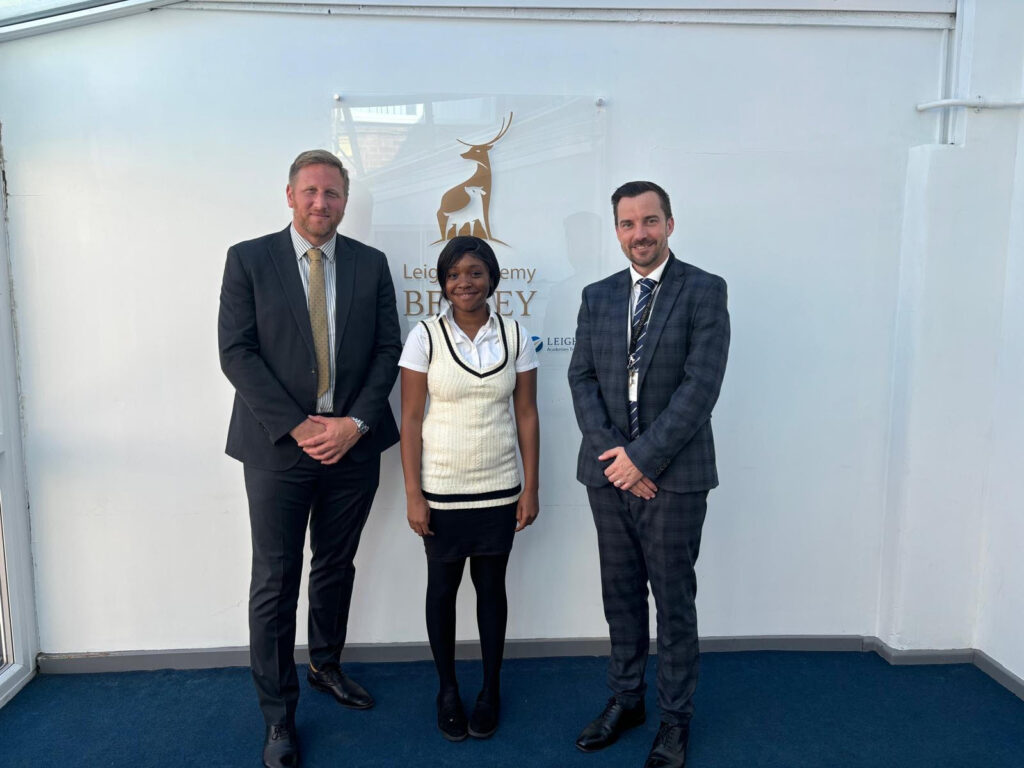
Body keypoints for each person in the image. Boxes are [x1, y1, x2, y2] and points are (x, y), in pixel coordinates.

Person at [218, 150, 401, 768]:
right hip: (276, 448)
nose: (322, 203)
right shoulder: (248, 259)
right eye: (311, 192)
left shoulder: (371, 265)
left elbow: (387, 350)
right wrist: (299, 427)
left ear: (346, 202)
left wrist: (353, 424)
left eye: (333, 193)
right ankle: (278, 716)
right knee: (274, 581)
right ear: (290, 195)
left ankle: (326, 665)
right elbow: (236, 353)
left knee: (336, 564)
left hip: (353, 445)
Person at [567, 181, 730, 768]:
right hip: (607, 476)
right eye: (629, 223)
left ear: (670, 223)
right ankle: (625, 699)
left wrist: (644, 458)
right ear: (616, 231)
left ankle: (674, 719)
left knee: (673, 600)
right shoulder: (598, 295)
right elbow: (581, 379)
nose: (640, 233)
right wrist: (618, 458)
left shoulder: (705, 291)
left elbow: (700, 387)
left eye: (651, 221)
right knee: (621, 597)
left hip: (676, 477)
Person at [399, 235, 540, 743]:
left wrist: (531, 488)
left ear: (492, 279)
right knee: (442, 590)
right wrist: (414, 494)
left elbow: (526, 414)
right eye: (455, 274)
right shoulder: (425, 337)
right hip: (440, 491)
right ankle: (447, 690)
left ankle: (490, 690)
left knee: (491, 591)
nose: (465, 282)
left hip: (499, 488)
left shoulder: (517, 334)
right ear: (442, 282)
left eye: (476, 272)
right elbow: (411, 418)